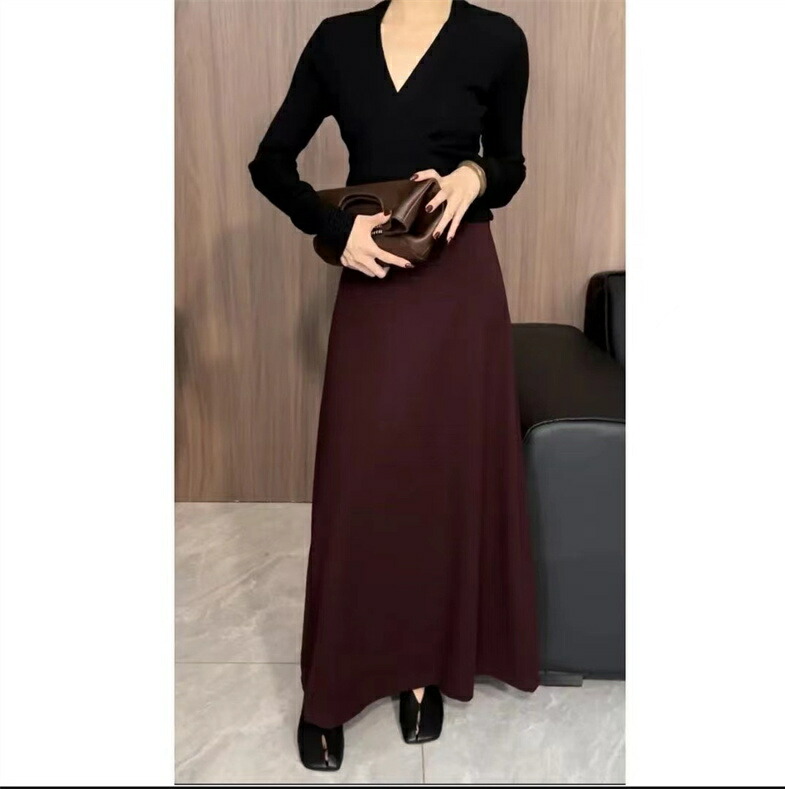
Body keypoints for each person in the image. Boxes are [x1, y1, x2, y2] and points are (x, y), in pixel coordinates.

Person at [248, 0, 539, 771]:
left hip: (462, 288)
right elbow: (270, 162)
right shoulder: (337, 41)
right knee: (360, 483)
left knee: (440, 482)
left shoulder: (497, 39)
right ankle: (331, 686)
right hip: (375, 281)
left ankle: (422, 666)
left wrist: (476, 173)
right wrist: (331, 226)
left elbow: (511, 165)